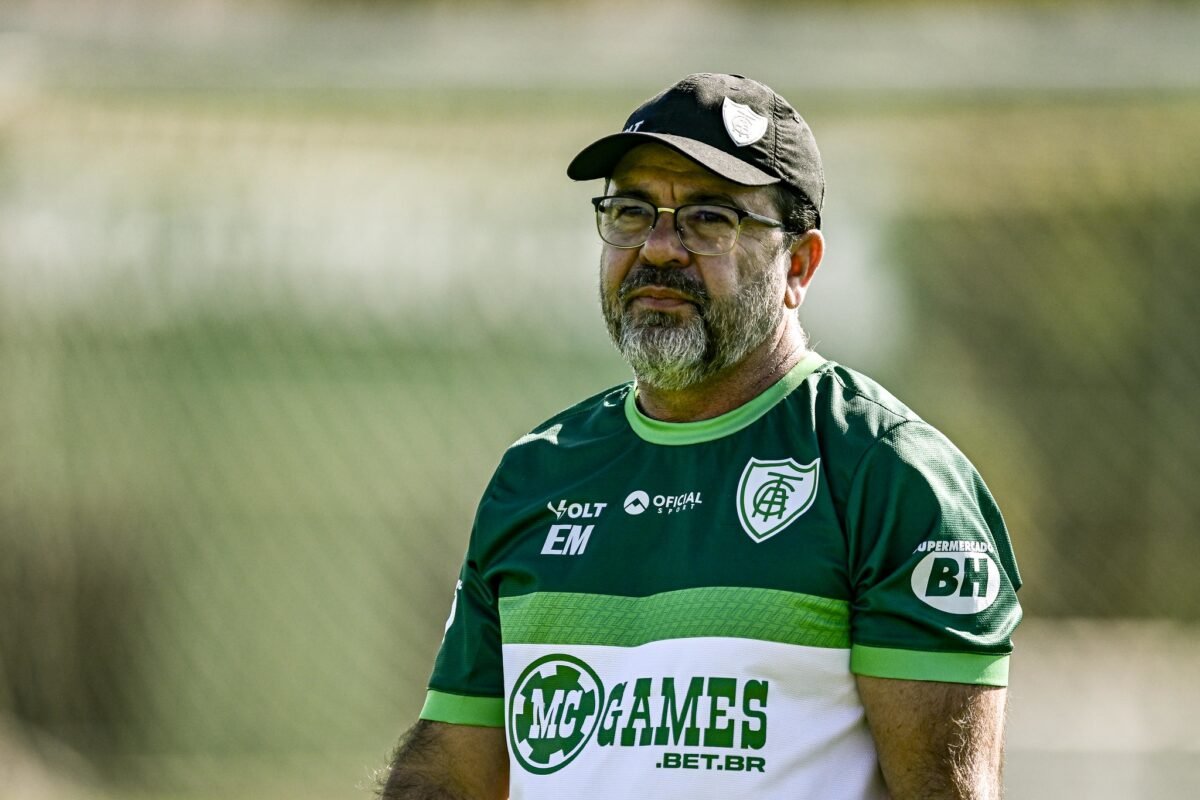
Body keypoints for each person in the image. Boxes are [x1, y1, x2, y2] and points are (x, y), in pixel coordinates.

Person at [380, 73, 1021, 800]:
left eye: (708, 219)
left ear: (799, 265)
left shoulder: (888, 476)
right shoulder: (537, 477)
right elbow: (449, 776)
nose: (658, 248)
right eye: (630, 211)